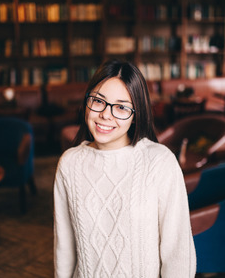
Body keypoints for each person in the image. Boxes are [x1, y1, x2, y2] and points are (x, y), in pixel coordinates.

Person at [53, 59, 196, 277]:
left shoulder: (159, 162)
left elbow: (177, 253)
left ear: (136, 113)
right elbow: (64, 248)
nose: (106, 114)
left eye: (121, 107)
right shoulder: (70, 164)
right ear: (87, 102)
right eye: (98, 101)